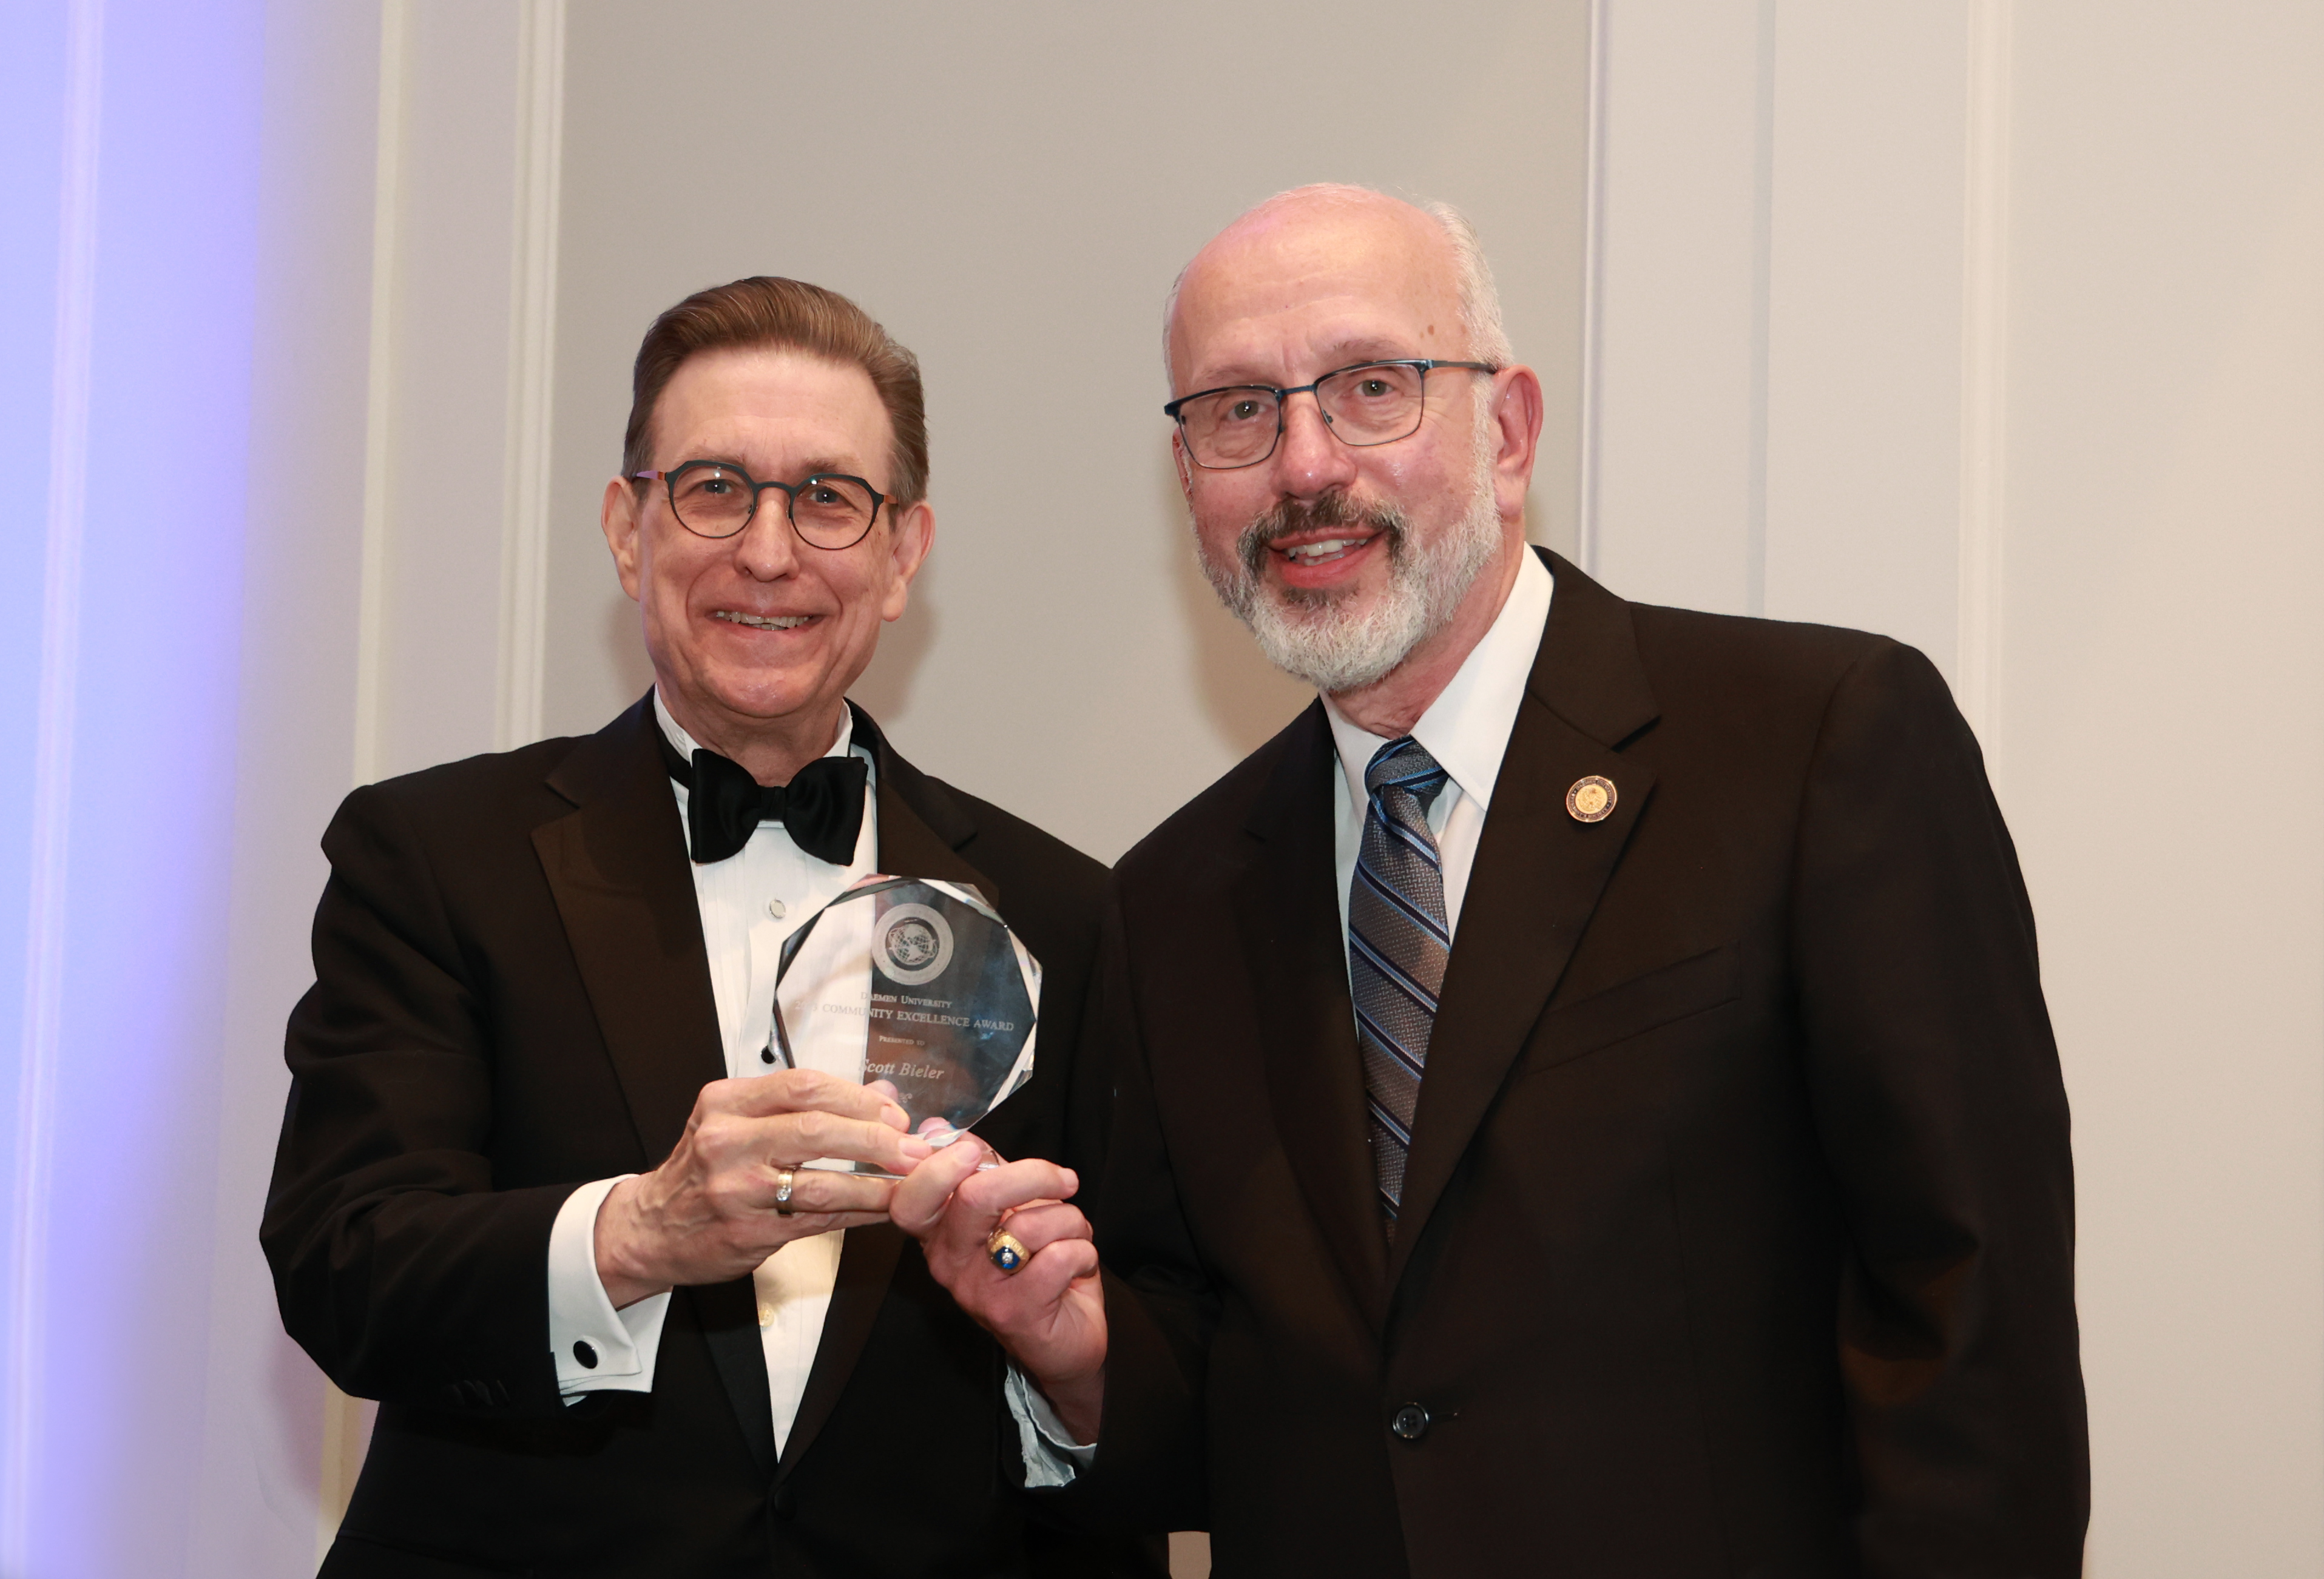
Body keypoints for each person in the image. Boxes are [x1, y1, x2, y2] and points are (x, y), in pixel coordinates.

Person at [895, 186, 2089, 1575]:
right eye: (1235, 410)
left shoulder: (1816, 744)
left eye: (1370, 388)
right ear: (1187, 483)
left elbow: (1970, 1319)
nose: (1300, 465)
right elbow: (1236, 1413)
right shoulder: (1171, 898)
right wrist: (1075, 1356)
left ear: (1506, 431)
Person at [265, 277, 1158, 1577]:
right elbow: (345, 1267)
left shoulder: (1065, 910)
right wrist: (638, 1231)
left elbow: (1125, 1389)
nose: (769, 551)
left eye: (828, 497)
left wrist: (1064, 1365)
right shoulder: (436, 857)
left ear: (903, 553)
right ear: (628, 530)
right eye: (715, 488)